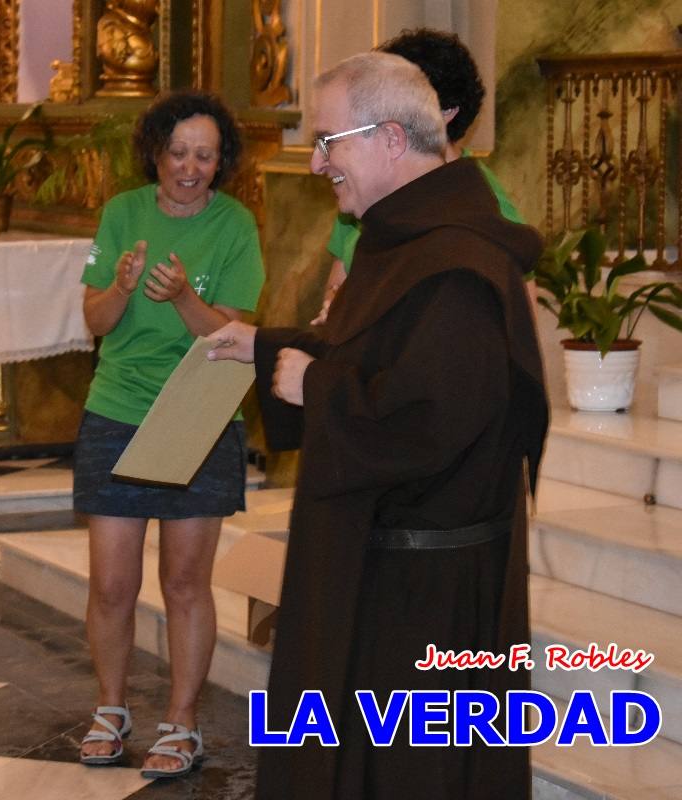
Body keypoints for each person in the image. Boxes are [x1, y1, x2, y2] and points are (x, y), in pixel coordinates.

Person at [209, 52, 548, 798]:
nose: (319, 162)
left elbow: (436, 418)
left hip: (425, 594)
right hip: (380, 563)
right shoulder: (403, 240)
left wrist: (317, 386)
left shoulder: (458, 260)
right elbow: (376, 353)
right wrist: (266, 346)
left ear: (392, 139)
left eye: (331, 140)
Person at [74, 89, 264, 778]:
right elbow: (94, 322)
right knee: (111, 584)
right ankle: (110, 707)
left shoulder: (237, 225)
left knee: (185, 581)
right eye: (178, 153)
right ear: (155, 152)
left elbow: (237, 338)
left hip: (199, 410)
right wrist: (122, 286)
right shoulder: (123, 212)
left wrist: (184, 295)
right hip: (117, 407)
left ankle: (182, 722)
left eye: (204, 156)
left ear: (222, 162)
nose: (189, 167)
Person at [312, 27, 524, 325]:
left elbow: (510, 320)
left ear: (446, 111)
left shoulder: (485, 203)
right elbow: (338, 283)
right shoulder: (369, 183)